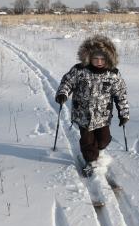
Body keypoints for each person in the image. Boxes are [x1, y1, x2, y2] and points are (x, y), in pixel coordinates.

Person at [55, 35, 129, 177]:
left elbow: (121, 94)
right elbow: (67, 82)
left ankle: (97, 150)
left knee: (104, 139)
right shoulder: (80, 70)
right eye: (95, 58)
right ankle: (91, 161)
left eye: (102, 59)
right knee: (87, 141)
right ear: (89, 57)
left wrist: (123, 113)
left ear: (108, 58)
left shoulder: (113, 74)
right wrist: (63, 93)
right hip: (83, 115)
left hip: (103, 116)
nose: (99, 62)